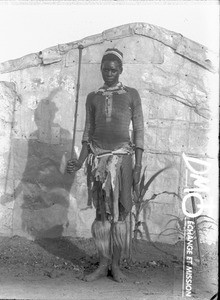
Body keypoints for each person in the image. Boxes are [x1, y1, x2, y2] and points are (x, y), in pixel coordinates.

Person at [67, 48, 144, 282]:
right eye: (104, 69)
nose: (108, 73)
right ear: (101, 69)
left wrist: (138, 164)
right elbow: (88, 132)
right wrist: (80, 162)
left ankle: (116, 266)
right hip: (99, 163)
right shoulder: (93, 97)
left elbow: (139, 129)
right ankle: (102, 265)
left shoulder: (131, 94)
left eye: (113, 69)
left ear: (120, 70)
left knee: (120, 214)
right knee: (101, 214)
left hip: (123, 161)